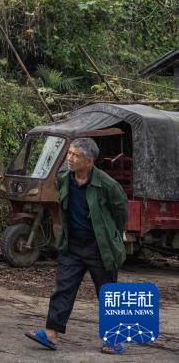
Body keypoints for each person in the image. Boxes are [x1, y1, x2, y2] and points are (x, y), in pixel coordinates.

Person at [26, 137, 129, 355]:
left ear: (89, 161)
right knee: (63, 288)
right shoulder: (64, 178)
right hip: (72, 245)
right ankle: (51, 334)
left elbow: (121, 214)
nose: (70, 159)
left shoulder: (108, 185)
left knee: (108, 293)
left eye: (75, 155)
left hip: (100, 247)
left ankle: (115, 339)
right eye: (69, 154)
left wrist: (113, 236)